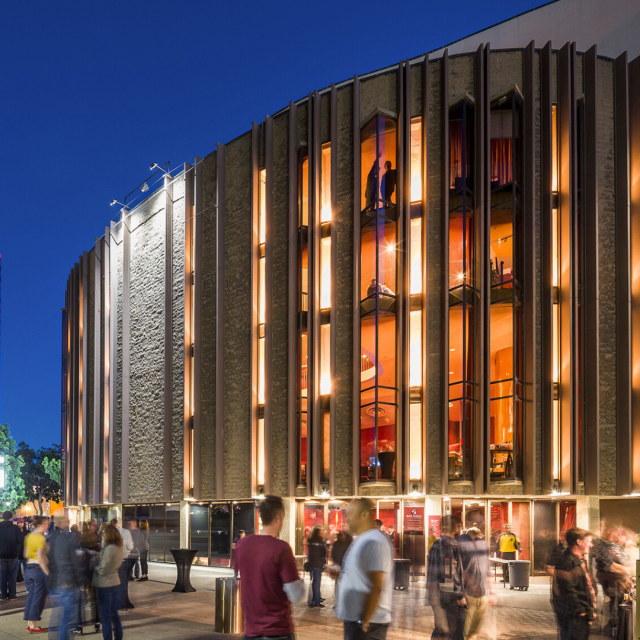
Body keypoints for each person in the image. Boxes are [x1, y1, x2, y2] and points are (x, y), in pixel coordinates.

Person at [233, 495, 305, 639]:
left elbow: (237, 579)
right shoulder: (282, 549)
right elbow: (296, 595)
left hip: (250, 632)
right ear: (278, 517)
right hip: (277, 631)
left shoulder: (242, 544)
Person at [329, 498, 393, 640]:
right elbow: (362, 574)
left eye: (351, 513)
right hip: (357, 622)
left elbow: (377, 585)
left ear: (364, 514)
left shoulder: (375, 541)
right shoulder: (361, 540)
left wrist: (364, 623)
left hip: (368, 625)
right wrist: (340, 574)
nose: (347, 518)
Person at [426, 515, 465, 640]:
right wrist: (460, 596)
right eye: (460, 526)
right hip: (449, 598)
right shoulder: (449, 545)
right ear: (456, 528)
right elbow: (450, 573)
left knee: (441, 630)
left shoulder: (436, 544)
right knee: (453, 632)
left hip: (437, 595)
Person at [553, 527, 596, 640]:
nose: (592, 545)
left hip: (580, 617)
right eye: (589, 541)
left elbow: (584, 587)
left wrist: (589, 610)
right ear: (579, 541)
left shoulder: (579, 560)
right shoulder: (568, 561)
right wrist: (581, 611)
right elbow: (568, 590)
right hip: (573, 618)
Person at [456, 527, 496, 640]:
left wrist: (492, 593)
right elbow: (459, 572)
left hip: (482, 595)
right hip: (469, 595)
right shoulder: (461, 548)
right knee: (465, 631)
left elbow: (488, 571)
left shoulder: (483, 549)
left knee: (474, 631)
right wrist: (462, 594)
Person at [48, 510, 82, 640]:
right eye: (68, 518)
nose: (69, 519)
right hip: (65, 582)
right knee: (67, 618)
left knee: (58, 616)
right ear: (62, 521)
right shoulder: (63, 537)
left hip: (55, 582)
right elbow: (67, 560)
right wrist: (76, 579)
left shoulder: (52, 536)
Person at [93, 524, 125, 640]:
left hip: (105, 584)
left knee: (105, 616)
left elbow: (103, 569)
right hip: (115, 581)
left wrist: (94, 566)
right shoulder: (119, 547)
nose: (102, 536)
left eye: (104, 533)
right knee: (114, 614)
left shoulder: (110, 548)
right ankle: (118, 637)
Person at [24, 515, 50, 633]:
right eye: (45, 524)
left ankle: (30, 624)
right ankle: (34, 626)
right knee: (38, 598)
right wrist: (47, 572)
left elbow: (25, 554)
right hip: (38, 570)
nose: (47, 526)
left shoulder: (29, 536)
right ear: (39, 525)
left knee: (31, 597)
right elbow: (40, 557)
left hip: (29, 568)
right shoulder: (40, 538)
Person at [0, 510, 23, 601]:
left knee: (2, 575)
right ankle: (12, 595)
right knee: (12, 576)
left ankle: (3, 595)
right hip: (13, 554)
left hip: (1, 555)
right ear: (11, 517)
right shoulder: (15, 528)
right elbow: (20, 540)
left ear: (3, 517)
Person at [111, 518, 133, 611]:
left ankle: (113, 604)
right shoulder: (126, 532)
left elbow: (104, 545)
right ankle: (121, 605)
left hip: (111, 561)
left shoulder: (109, 532)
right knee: (122, 583)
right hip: (122, 559)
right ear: (120, 523)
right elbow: (130, 547)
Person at [307, 524, 327, 607]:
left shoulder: (310, 540)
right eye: (321, 531)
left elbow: (310, 553)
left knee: (313, 582)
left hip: (311, 564)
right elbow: (323, 552)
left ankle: (314, 599)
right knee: (317, 583)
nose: (322, 532)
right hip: (318, 564)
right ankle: (317, 602)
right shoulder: (320, 541)